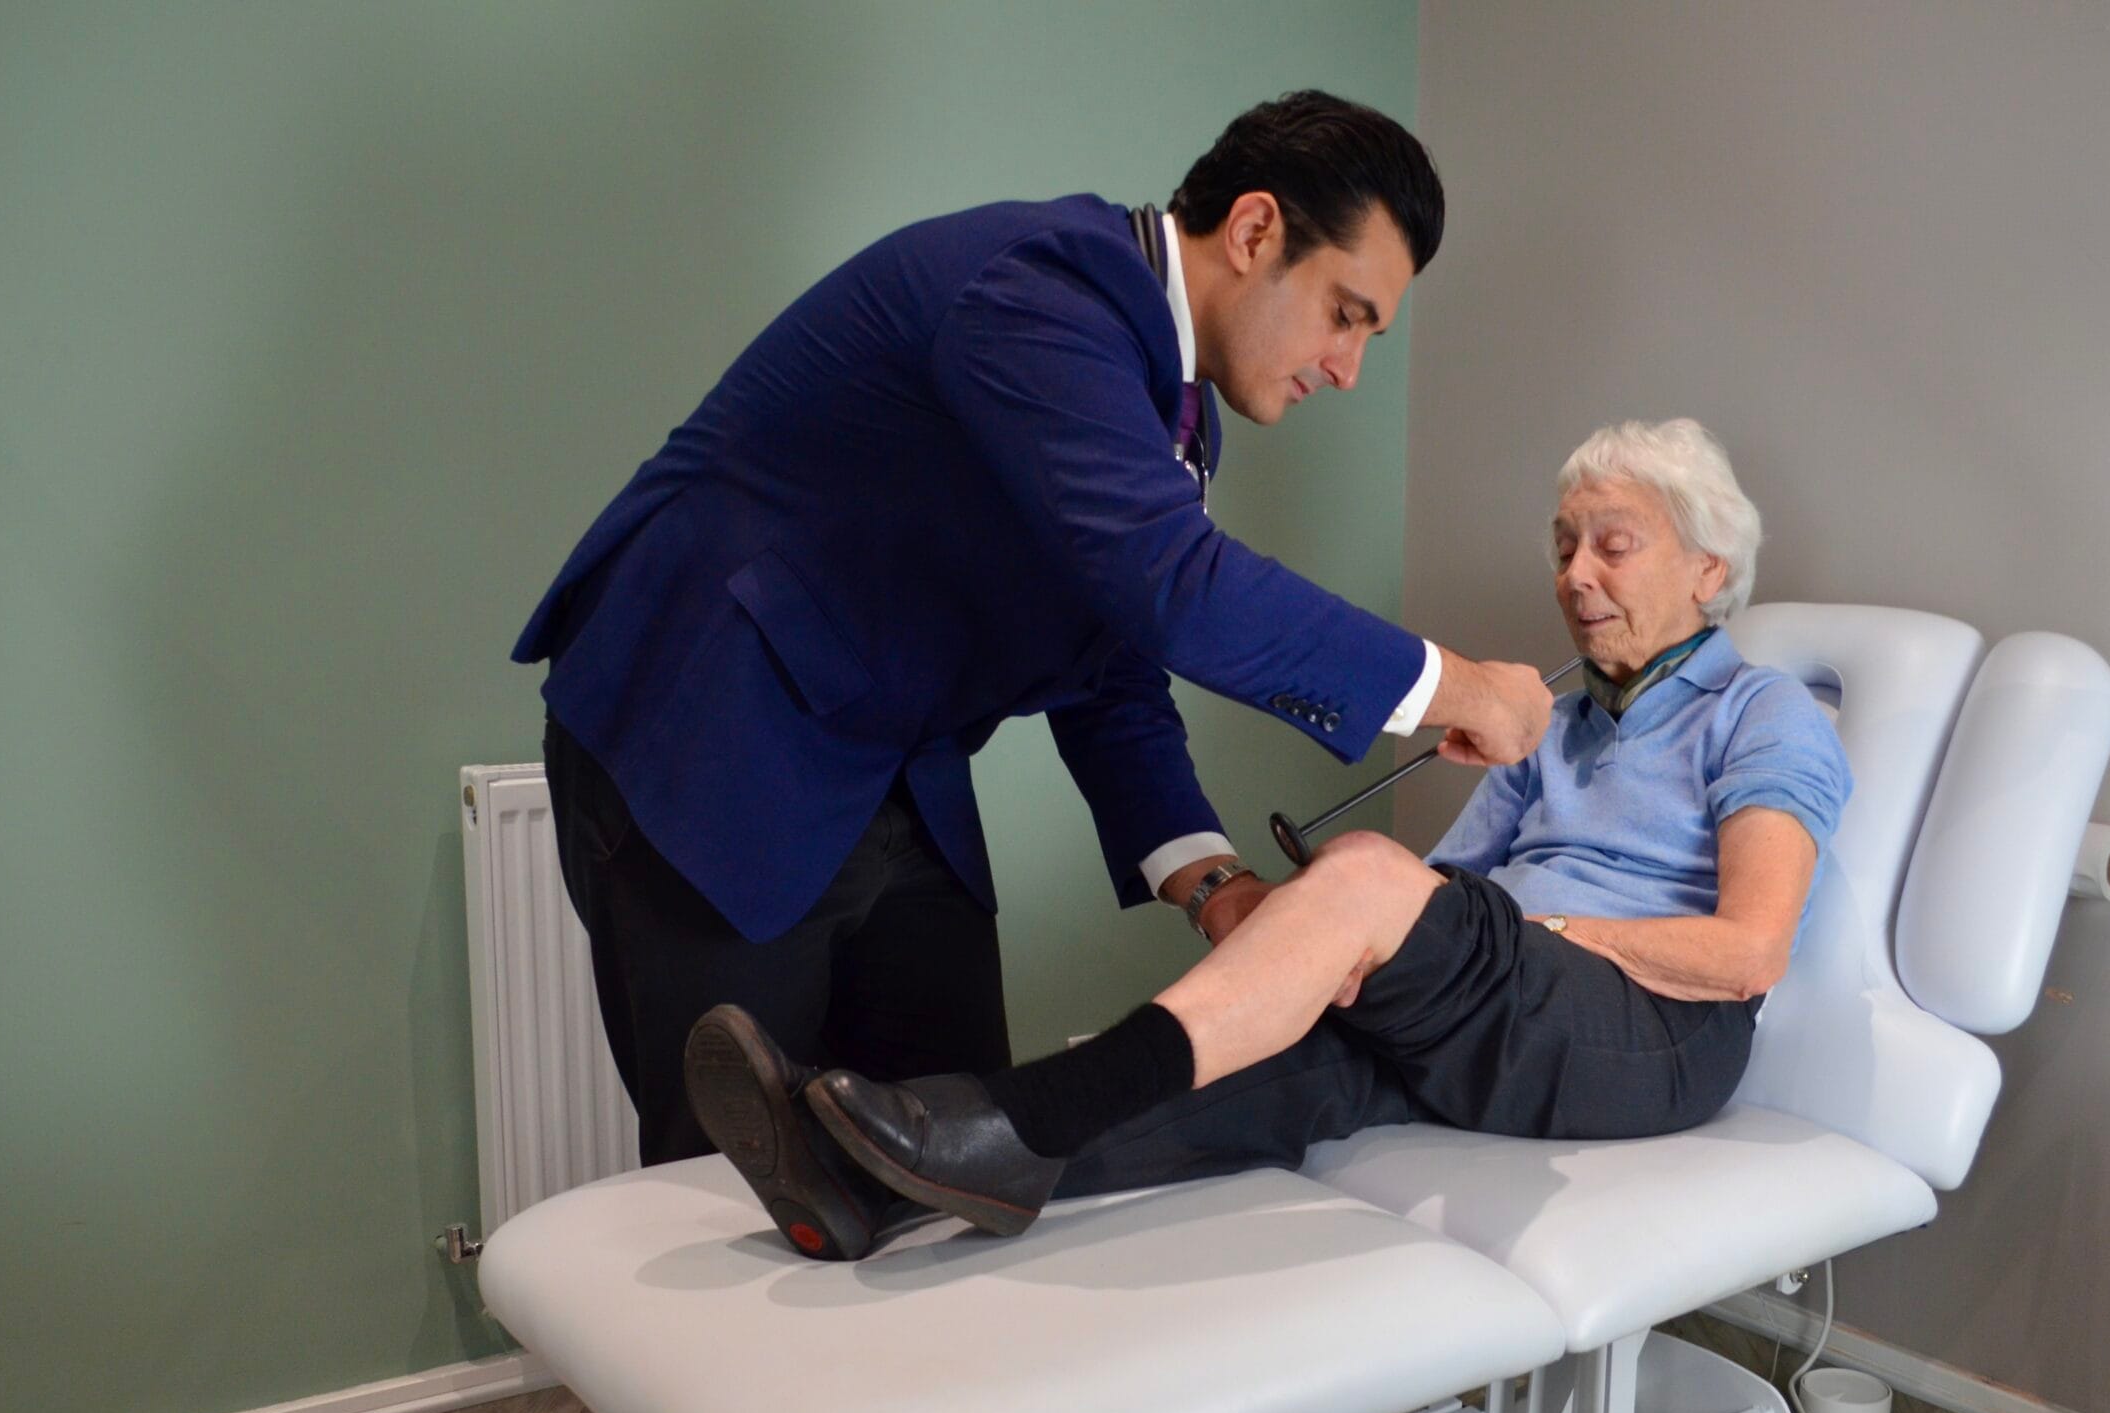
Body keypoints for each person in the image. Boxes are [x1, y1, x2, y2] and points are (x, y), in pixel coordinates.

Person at [514, 92, 1556, 1413]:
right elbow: (1174, 590)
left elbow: (1116, 663)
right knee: (750, 1205)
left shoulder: (1168, 417)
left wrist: (1213, 885)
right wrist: (1441, 683)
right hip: (710, 721)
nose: (1350, 366)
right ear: (1256, 231)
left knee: (961, 1152)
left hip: (889, 755)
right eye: (1349, 313)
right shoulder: (1041, 294)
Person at [688, 419, 1853, 1258]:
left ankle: (961, 1129)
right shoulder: (1555, 720)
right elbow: (1442, 896)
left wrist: (1518, 929)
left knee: (1362, 873)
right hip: (1510, 1008)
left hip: (1656, 1038)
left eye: (1611, 543)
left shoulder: (1762, 712)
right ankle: (886, 1175)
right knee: (1259, 1059)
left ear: (1708, 568)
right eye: (1561, 545)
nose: (1573, 575)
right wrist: (1334, 941)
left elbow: (1748, 953)